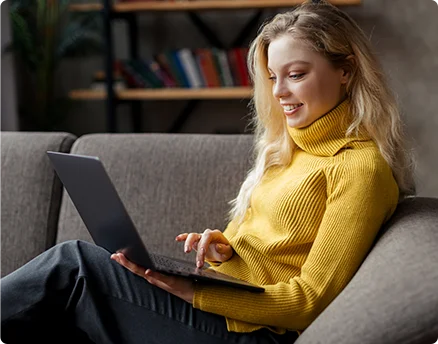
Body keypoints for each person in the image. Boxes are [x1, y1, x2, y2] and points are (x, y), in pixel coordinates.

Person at [0, 1, 415, 343]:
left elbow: (309, 300)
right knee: (57, 315)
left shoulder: (359, 168)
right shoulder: (290, 147)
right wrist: (224, 247)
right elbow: (276, 250)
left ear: (345, 71)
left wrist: (193, 292)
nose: (280, 92)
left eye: (296, 75)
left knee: (74, 264)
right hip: (221, 304)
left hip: (252, 331)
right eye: (272, 77)